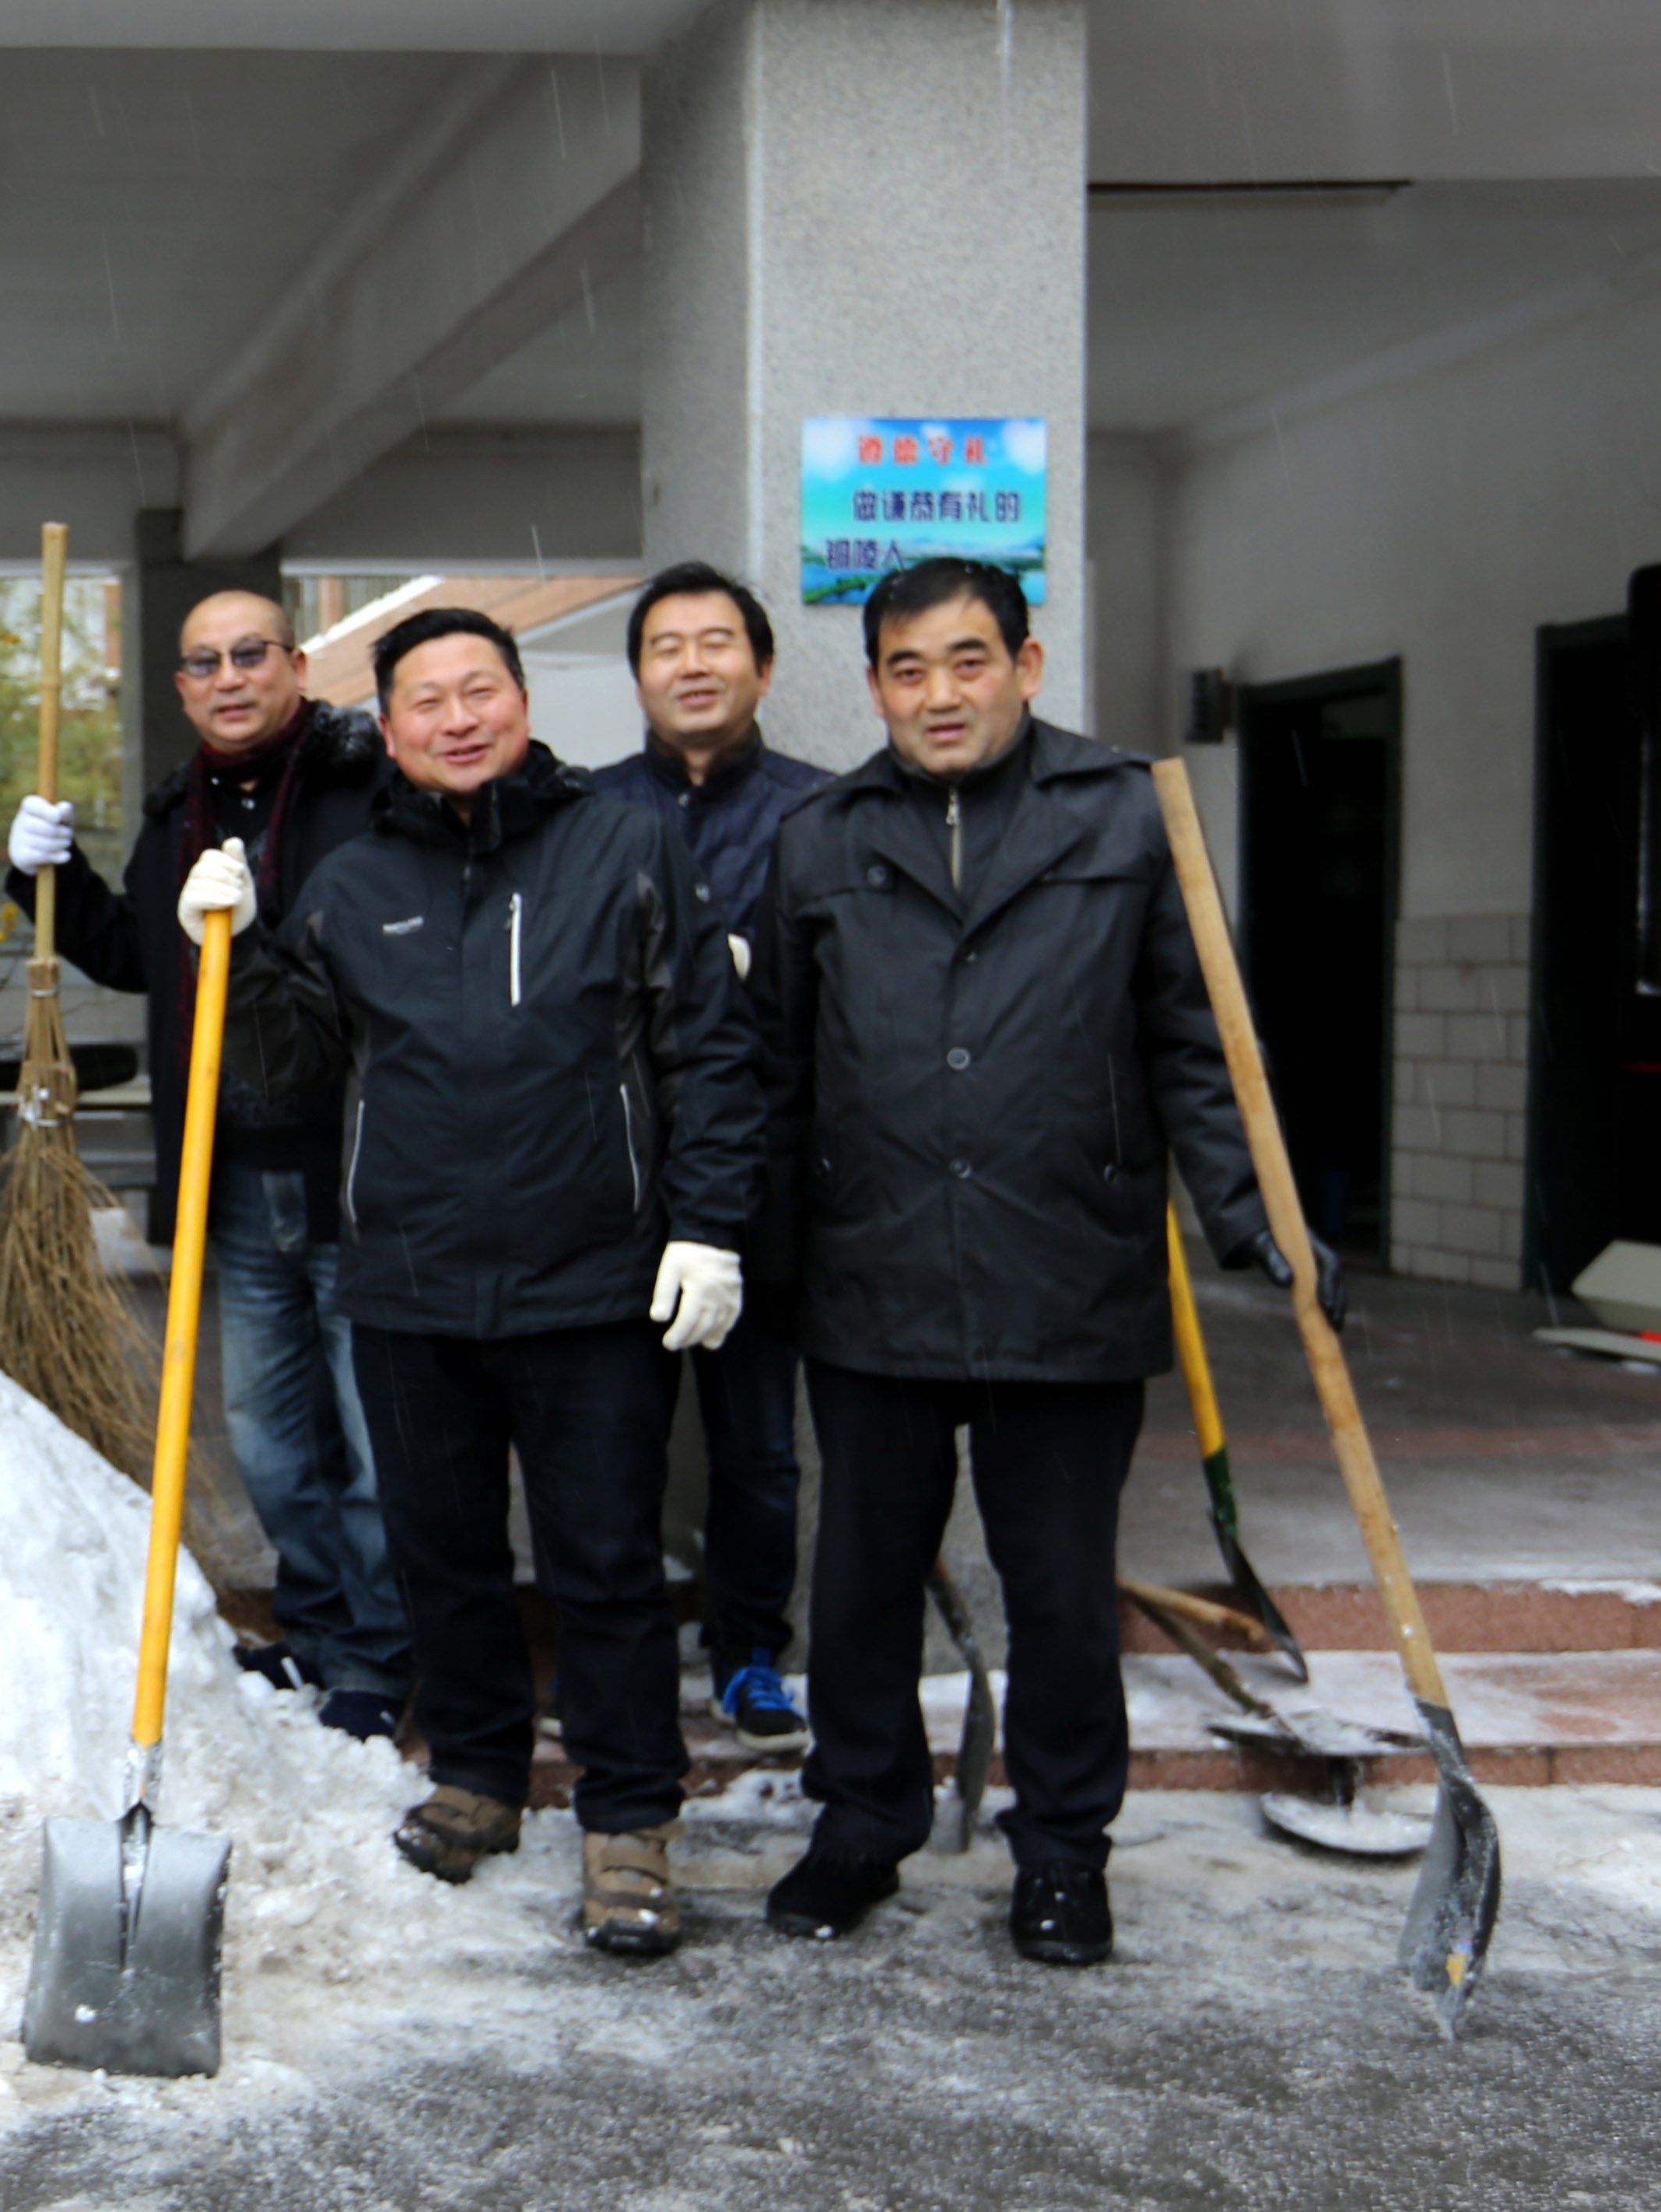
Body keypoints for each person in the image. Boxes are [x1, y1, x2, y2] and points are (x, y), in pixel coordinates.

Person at [757, 558, 1333, 1965]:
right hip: (873, 1273)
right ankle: (860, 1825)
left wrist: (1253, 1216)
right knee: (859, 1585)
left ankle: (1065, 1851)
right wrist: (749, 1249)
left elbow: (1197, 1043)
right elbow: (775, 1067)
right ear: (874, 686)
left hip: (1066, 1270)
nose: (938, 695)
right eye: (906, 670)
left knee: (1062, 1592)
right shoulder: (819, 838)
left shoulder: (1127, 814)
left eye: (967, 661)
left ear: (1024, 663)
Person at [217, 604, 762, 1956]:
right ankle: (476, 1775)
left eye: (480, 690)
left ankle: (628, 1819)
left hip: (592, 1281)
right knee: (443, 1555)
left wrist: (708, 1225)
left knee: (605, 1563)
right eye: (427, 700)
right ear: (387, 728)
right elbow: (279, 1077)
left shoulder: (623, 848)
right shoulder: (349, 881)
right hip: (407, 1283)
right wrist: (230, 949)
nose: (457, 719)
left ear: (522, 701)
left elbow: (707, 1048)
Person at [1, 589, 413, 1741]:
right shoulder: (178, 809)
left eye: (249, 654)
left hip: (352, 1161)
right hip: (225, 1169)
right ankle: (318, 1627)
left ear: (295, 664)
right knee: (272, 1439)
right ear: (181, 689)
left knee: (371, 1438)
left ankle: (385, 1648)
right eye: (203, 663)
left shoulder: (368, 787)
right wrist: (44, 877)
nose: (228, 678)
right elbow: (137, 953)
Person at [587, 562, 830, 1757]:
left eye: (716, 642)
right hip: (614, 1185)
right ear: (636, 676)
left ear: (762, 668)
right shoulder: (585, 814)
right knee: (609, 1445)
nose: (691, 664)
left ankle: (747, 1653)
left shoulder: (823, 814)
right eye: (665, 646)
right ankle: (616, 1655)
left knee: (757, 1448)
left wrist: (760, 980)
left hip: (763, 1186)